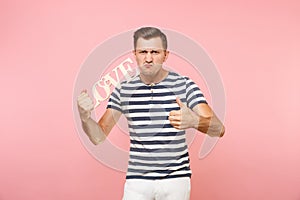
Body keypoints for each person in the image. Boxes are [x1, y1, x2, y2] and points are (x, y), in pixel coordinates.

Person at [77, 27, 225, 200]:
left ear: (165, 55)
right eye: (143, 52)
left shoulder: (185, 85)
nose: (148, 58)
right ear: (135, 54)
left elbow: (219, 129)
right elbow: (98, 137)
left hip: (176, 179)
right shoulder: (123, 90)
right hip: (137, 182)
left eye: (155, 52)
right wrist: (85, 118)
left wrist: (194, 121)